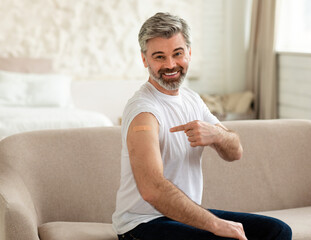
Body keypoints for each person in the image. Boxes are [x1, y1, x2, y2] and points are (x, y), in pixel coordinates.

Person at [112, 12, 292, 240]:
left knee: (277, 231)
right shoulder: (143, 112)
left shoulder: (192, 99)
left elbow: (235, 151)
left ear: (189, 52)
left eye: (177, 54)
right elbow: (152, 189)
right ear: (144, 59)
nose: (170, 65)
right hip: (141, 225)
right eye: (159, 57)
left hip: (181, 217)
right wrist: (214, 224)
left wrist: (216, 134)